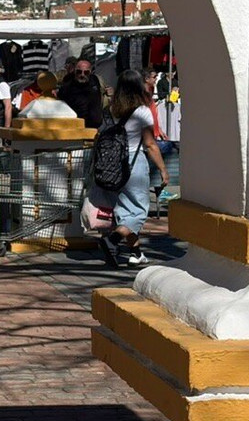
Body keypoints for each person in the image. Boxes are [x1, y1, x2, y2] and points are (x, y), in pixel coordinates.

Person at [95, 70, 170, 268]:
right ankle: (113, 239)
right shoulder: (142, 111)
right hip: (133, 163)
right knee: (137, 211)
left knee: (124, 210)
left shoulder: (110, 109)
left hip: (111, 164)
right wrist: (163, 169)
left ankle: (135, 253)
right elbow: (150, 144)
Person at [58, 58, 106, 129]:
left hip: (94, 127)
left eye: (86, 72)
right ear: (75, 71)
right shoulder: (68, 85)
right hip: (76, 127)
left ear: (90, 72)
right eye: (79, 72)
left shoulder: (95, 80)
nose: (82, 75)